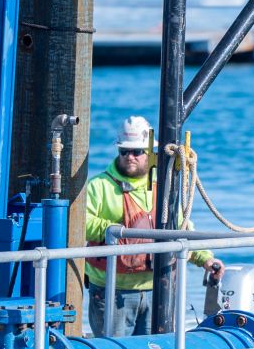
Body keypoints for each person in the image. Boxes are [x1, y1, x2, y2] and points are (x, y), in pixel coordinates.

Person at [83, 115, 222, 337]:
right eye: (124, 151)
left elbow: (181, 228)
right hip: (112, 292)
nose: (130, 157)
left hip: (157, 290)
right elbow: (82, 224)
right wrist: (117, 230)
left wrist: (204, 258)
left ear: (149, 152)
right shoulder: (99, 186)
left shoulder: (164, 185)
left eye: (137, 151)